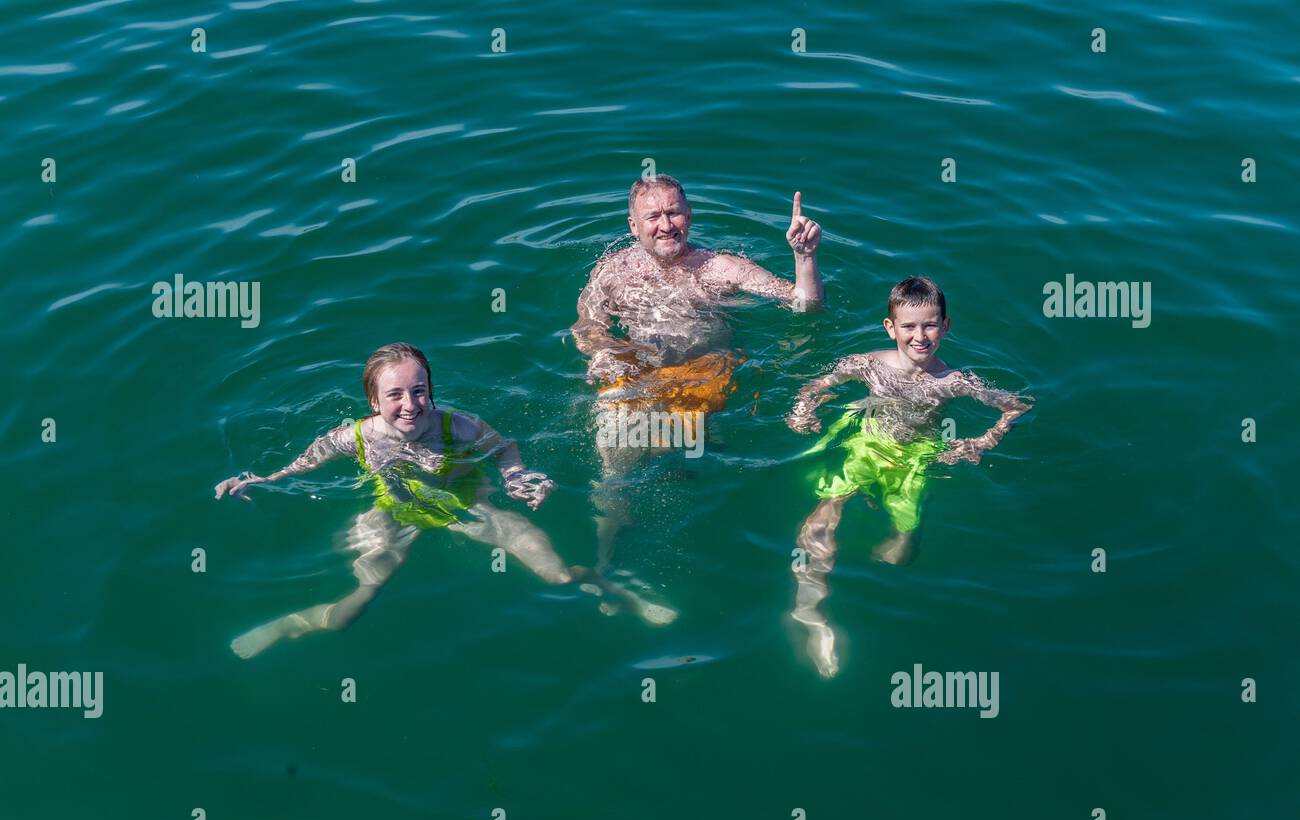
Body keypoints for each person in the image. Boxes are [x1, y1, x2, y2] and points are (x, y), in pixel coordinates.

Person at [214, 342, 673, 659]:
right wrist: (261, 480)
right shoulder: (352, 436)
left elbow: (505, 448)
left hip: (470, 507)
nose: (410, 404)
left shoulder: (460, 426)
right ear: (373, 401)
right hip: (393, 513)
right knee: (355, 604)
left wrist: (515, 478)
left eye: (419, 390)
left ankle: (619, 593)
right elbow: (303, 464)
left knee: (556, 576)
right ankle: (288, 625)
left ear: (431, 388)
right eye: (394, 394)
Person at [572, 174, 824, 570]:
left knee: (674, 465)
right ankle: (605, 564)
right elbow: (586, 326)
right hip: (635, 371)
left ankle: (673, 557)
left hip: (701, 377)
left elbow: (801, 306)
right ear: (632, 226)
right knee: (612, 471)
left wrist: (804, 258)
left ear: (690, 216)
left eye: (674, 212)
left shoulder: (720, 269)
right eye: (653, 216)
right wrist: (604, 353)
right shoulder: (612, 272)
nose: (666, 224)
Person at [785, 277, 1033, 678]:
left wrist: (983, 442)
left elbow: (1017, 406)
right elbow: (815, 385)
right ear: (890, 328)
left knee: (902, 549)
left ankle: (874, 598)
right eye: (909, 327)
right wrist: (803, 409)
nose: (920, 337)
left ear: (946, 326)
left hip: (917, 457)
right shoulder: (868, 364)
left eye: (930, 325)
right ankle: (809, 609)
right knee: (822, 519)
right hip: (867, 444)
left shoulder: (955, 382)